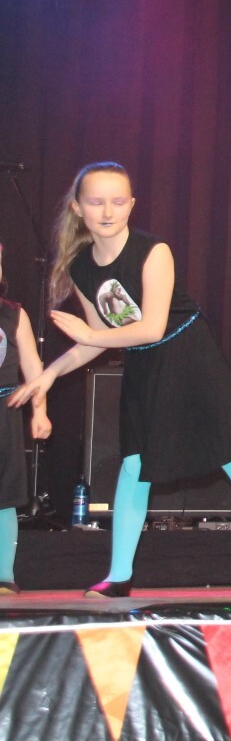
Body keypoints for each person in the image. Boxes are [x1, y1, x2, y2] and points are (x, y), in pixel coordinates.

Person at [6, 163, 231, 597]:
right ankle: (119, 574)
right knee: (134, 463)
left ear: (132, 205)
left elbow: (150, 327)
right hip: (143, 363)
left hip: (189, 355)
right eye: (96, 202)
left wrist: (91, 336)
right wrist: (49, 375)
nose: (108, 211)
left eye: (118, 202)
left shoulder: (154, 251)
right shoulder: (81, 267)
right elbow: (101, 337)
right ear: (78, 208)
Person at [0, 242, 52, 593]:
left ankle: (4, 575)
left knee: (4, 496)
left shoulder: (13, 314)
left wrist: (40, 410)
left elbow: (34, 368)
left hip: (3, 412)